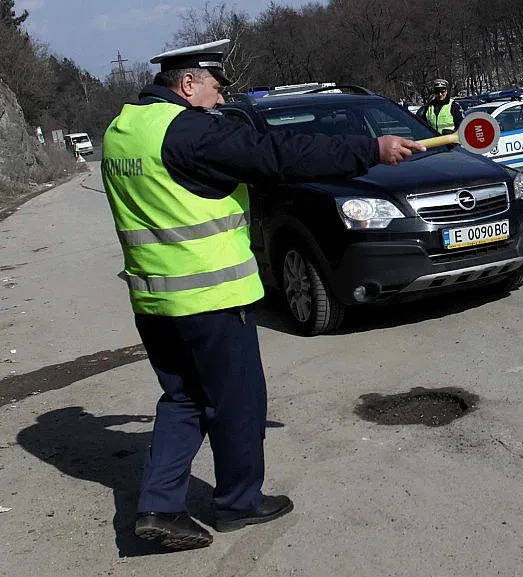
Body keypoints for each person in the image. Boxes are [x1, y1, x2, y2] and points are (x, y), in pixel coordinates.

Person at [100, 39, 425, 551]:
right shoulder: (188, 132)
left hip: (154, 300)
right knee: (238, 404)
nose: (220, 98)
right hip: (210, 297)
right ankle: (238, 503)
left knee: (183, 398)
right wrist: (370, 149)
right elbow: (278, 154)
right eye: (215, 86)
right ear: (188, 83)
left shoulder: (123, 131)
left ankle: (159, 507)